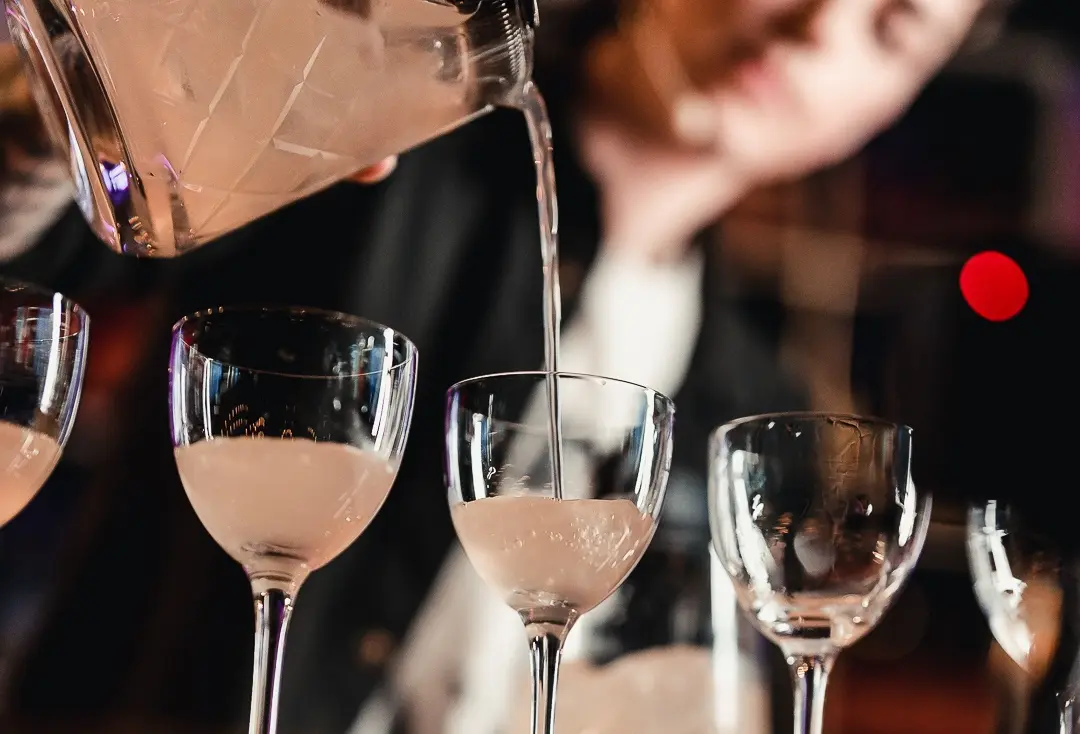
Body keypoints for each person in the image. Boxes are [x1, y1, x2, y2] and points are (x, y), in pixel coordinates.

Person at [0, 1, 993, 732]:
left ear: (893, 103)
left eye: (892, 29)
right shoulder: (372, 139)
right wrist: (68, 99)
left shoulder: (754, 414)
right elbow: (35, 247)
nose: (821, 26)